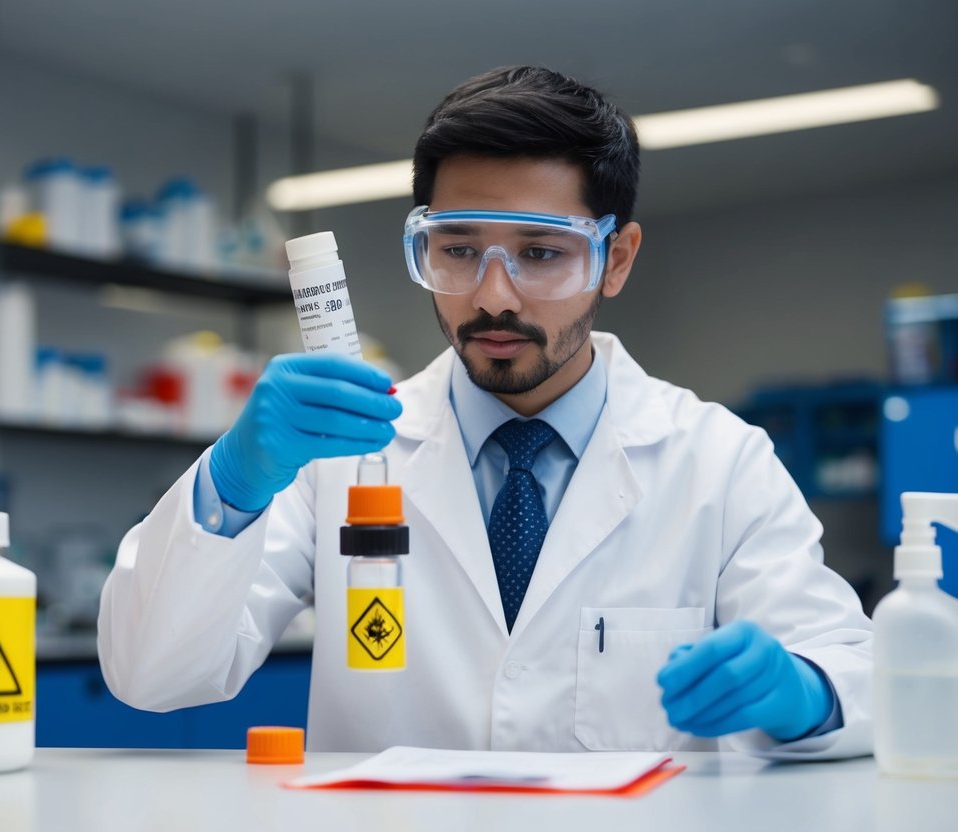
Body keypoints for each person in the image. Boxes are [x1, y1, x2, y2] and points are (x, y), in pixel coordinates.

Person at [98, 66, 872, 758]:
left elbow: (857, 675)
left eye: (540, 252)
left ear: (617, 258)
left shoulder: (719, 461)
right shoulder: (341, 452)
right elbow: (152, 677)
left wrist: (804, 692)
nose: (492, 295)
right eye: (458, 249)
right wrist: (232, 485)